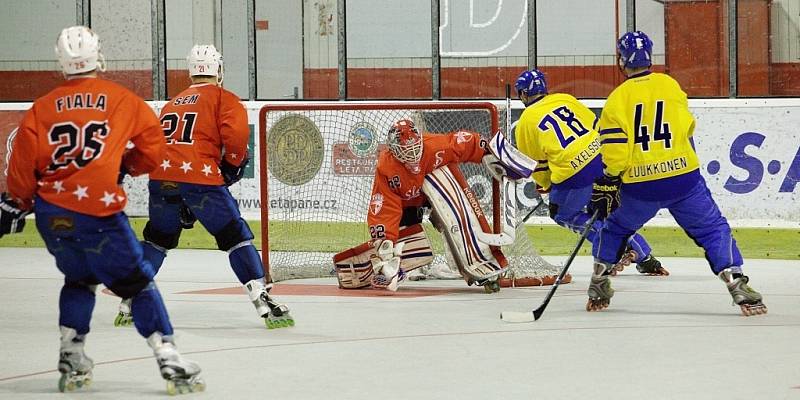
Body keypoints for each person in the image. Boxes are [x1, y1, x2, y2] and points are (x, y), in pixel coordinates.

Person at [0, 26, 204, 394]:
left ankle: (71, 354)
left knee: (79, 280)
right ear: (99, 57)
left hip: (53, 216)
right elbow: (154, 150)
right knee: (137, 283)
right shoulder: (121, 99)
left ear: (61, 63)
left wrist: (20, 201)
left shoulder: (42, 107)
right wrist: (125, 165)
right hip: (100, 213)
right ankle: (169, 356)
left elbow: (20, 171)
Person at [586, 31, 767, 316]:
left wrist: (609, 179)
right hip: (684, 179)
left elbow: (616, 148)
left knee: (615, 229)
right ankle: (736, 281)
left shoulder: (617, 98)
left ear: (620, 60)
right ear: (650, 56)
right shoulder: (670, 85)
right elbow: (686, 128)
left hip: (641, 185)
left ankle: (599, 282)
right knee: (713, 229)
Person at [114, 44, 294, 329]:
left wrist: (126, 167)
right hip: (200, 178)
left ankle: (131, 300)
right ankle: (262, 297)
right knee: (235, 237)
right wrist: (232, 166)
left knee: (157, 240)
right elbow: (235, 137)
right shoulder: (224, 98)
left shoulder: (173, 103)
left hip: (162, 179)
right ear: (218, 70)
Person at [513, 68, 667, 276]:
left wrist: (547, 184)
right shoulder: (565, 99)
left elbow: (537, 165)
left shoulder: (525, 123)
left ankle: (613, 245)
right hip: (602, 159)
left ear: (522, 94)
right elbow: (595, 125)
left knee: (562, 213)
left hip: (575, 173)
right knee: (607, 211)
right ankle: (645, 258)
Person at [346, 118, 528, 293]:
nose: (411, 154)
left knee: (451, 222)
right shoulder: (386, 167)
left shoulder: (434, 145)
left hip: (434, 191)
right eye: (404, 150)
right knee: (407, 227)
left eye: (414, 147)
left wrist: (489, 153)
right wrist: (385, 240)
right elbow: (384, 205)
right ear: (393, 150)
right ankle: (408, 266)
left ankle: (466, 262)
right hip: (408, 201)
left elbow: (468, 141)